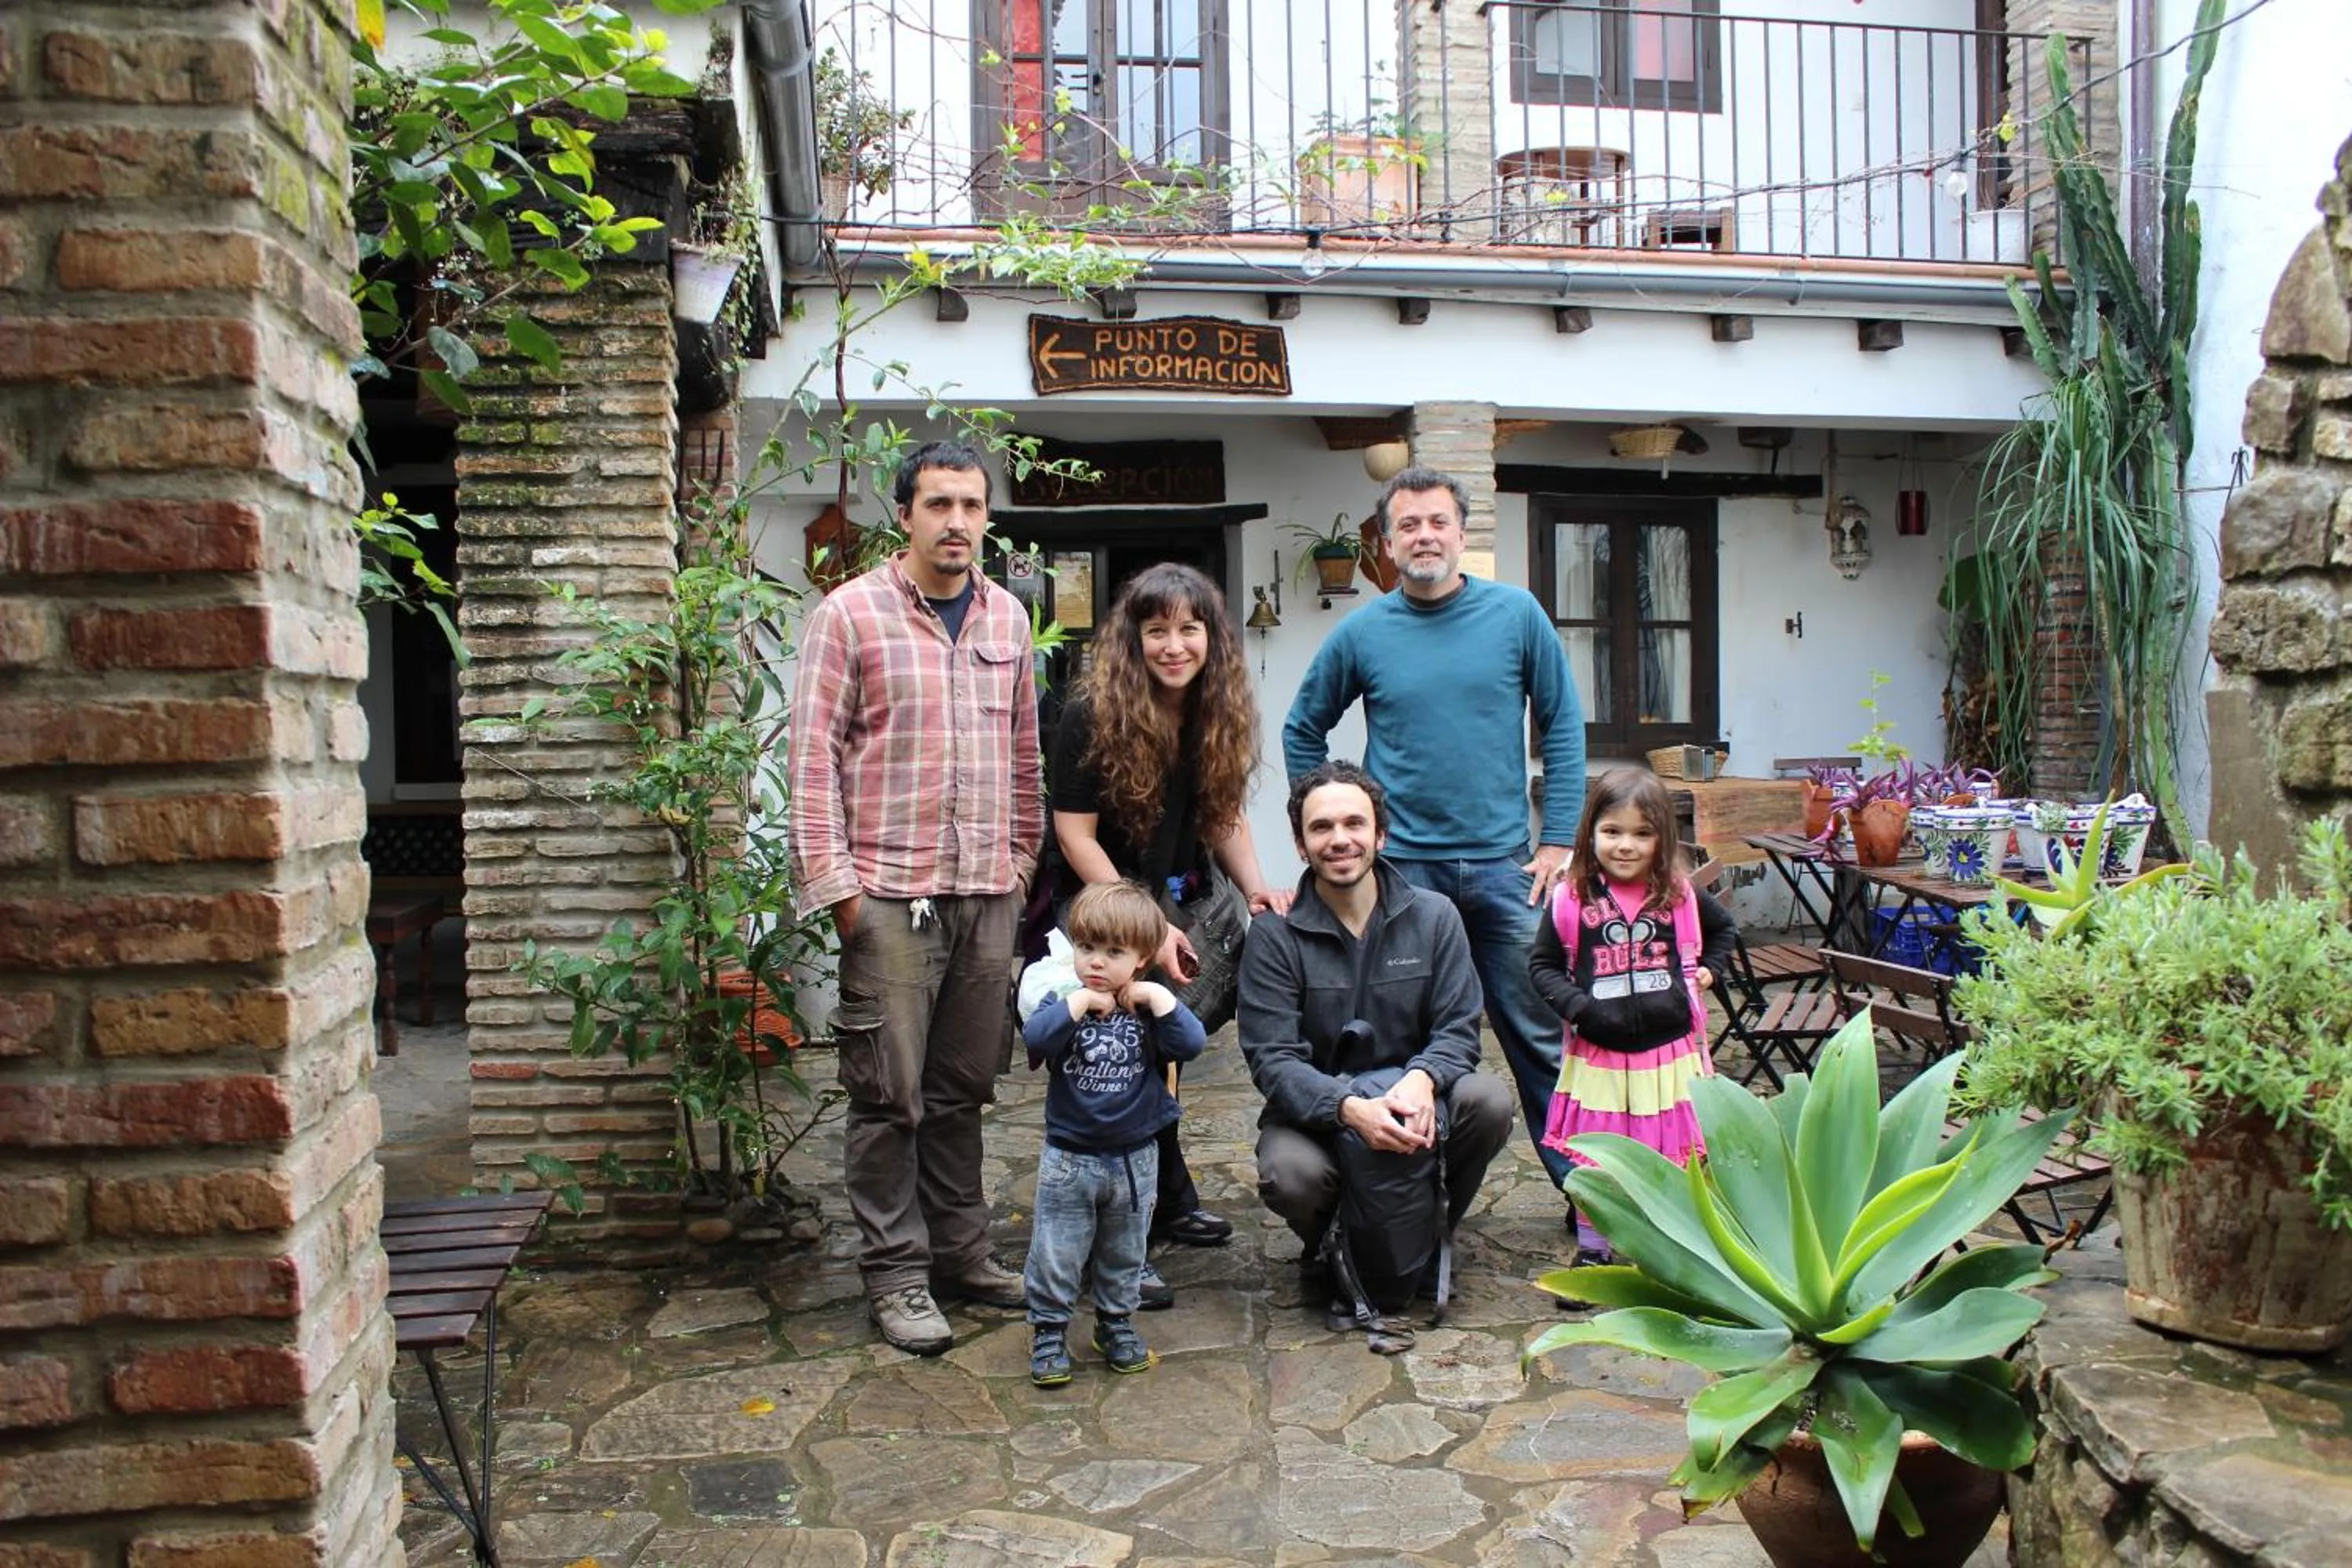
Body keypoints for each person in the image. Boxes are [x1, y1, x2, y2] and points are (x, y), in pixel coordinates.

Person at [787, 441, 1041, 1356]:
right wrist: (841, 893)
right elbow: (811, 761)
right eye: (939, 504)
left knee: (962, 1088)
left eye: (971, 505)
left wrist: (1020, 861)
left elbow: (1025, 754)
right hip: (890, 893)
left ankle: (961, 1253)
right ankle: (896, 1271)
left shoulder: (1008, 617)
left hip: (985, 890)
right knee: (888, 1094)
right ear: (904, 514)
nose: (957, 522)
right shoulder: (849, 615)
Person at [1281, 466, 1588, 1210]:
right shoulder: (1363, 632)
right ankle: (1399, 1199)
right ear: (1386, 544)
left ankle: (1592, 1204)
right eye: (1408, 525)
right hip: (1401, 874)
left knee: (1542, 1040)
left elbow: (1563, 726)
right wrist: (1337, 823)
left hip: (1506, 870)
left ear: (1461, 533)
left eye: (1438, 522)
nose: (1424, 536)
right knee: (1398, 1038)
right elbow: (1302, 729)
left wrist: (1557, 841)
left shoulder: (1517, 616)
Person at [1047, 562, 1291, 1305]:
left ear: (1212, 638)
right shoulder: (1089, 712)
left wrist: (1256, 888)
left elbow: (1223, 816)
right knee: (1124, 1066)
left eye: (1189, 629)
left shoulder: (1216, 710)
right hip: (1103, 908)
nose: (1174, 645)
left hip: (1179, 901)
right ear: (1134, 638)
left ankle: (1168, 1198)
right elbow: (1074, 836)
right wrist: (1145, 928)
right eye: (1157, 630)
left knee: (1157, 1057)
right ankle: (1126, 1238)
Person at [1236, 760, 1514, 1283]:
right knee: (1287, 1173)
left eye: (1354, 823)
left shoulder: (1436, 917)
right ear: (1301, 845)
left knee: (1489, 1101)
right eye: (1321, 827)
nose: (1340, 839)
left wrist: (1423, 1078)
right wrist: (1347, 1108)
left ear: (1381, 835)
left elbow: (1458, 1028)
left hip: (1418, 1102)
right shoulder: (1274, 936)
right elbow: (1272, 1059)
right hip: (1319, 1114)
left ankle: (1427, 1237)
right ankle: (1338, 1248)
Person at [1529, 768, 1734, 1266]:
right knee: (1596, 1159)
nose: (1626, 845)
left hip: (1668, 1057)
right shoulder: (1571, 899)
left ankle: (1670, 1248)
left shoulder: (1678, 895)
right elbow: (1542, 966)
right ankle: (1594, 1250)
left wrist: (1709, 971)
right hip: (1598, 1058)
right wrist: (1579, 1008)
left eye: (1642, 833)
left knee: (1672, 1156)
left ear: (1662, 837)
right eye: (1612, 831)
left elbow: (1724, 929)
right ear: (1591, 832)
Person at [1017, 881, 1207, 1386]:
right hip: (1069, 1158)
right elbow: (1036, 1039)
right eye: (1086, 948)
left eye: (1114, 952)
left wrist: (1159, 997)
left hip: (1134, 1158)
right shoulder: (1064, 1001)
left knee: (1126, 1248)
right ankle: (1049, 1330)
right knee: (1057, 1248)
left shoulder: (1147, 1011)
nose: (1096, 962)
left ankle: (1116, 1322)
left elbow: (1191, 1044)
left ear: (1142, 958)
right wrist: (1078, 1002)